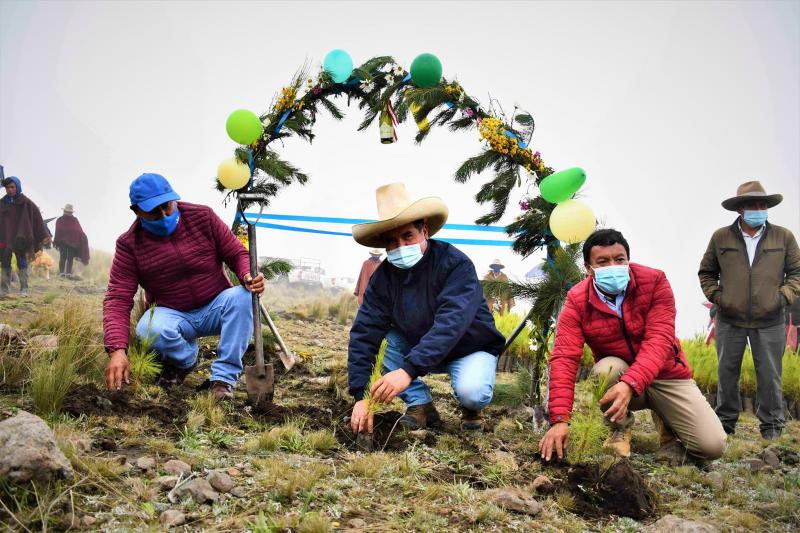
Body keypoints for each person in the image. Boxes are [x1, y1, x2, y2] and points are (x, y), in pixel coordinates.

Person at [540, 229, 726, 464]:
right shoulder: (578, 299)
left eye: (619, 259)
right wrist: (559, 420)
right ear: (589, 268)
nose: (613, 266)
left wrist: (631, 383)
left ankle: (667, 420)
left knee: (712, 446)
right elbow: (564, 357)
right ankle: (619, 428)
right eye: (603, 262)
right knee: (604, 370)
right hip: (618, 374)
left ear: (628, 259)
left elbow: (659, 340)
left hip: (665, 374)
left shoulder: (654, 281)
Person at [348, 183, 505, 433]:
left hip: (468, 346)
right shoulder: (383, 278)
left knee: (473, 393)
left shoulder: (455, 265)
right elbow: (364, 332)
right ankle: (420, 404)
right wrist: (360, 395)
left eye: (408, 236)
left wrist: (407, 371)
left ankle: (471, 408)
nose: (401, 246)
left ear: (425, 231)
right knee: (385, 341)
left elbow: (451, 323)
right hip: (418, 344)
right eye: (392, 241)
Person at [103, 173, 265, 401]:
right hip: (172, 315)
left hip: (216, 306)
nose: (163, 215)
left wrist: (247, 273)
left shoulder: (203, 217)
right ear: (137, 211)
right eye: (153, 211)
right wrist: (117, 349)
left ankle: (223, 379)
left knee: (243, 297)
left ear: (174, 199)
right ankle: (185, 361)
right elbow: (118, 299)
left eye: (167, 206)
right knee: (148, 329)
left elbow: (236, 253)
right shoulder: (129, 244)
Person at [698, 181, 800, 439]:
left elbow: (797, 273)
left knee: (770, 375)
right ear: (740, 209)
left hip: (771, 319)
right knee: (726, 373)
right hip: (729, 319)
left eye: (762, 204)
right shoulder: (721, 237)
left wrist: (782, 297)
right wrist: (719, 297)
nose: (759, 209)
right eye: (753, 205)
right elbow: (706, 273)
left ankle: (772, 429)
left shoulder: (784, 237)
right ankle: (725, 426)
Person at [0, 176, 49, 297]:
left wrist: (43, 234)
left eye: (12, 187)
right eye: (7, 187)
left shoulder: (26, 202)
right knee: (5, 261)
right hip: (5, 238)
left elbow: (37, 217)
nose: (10, 190)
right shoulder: (2, 202)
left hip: (20, 239)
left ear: (18, 187)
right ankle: (5, 289)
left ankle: (24, 289)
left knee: (22, 262)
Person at [53, 204, 90, 278]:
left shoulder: (75, 220)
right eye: (67, 211)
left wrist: (83, 236)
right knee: (63, 257)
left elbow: (79, 230)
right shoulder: (60, 220)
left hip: (73, 242)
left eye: (69, 212)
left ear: (71, 213)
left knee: (70, 258)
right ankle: (61, 273)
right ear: (64, 211)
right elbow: (58, 230)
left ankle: (68, 273)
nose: (68, 213)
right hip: (62, 242)